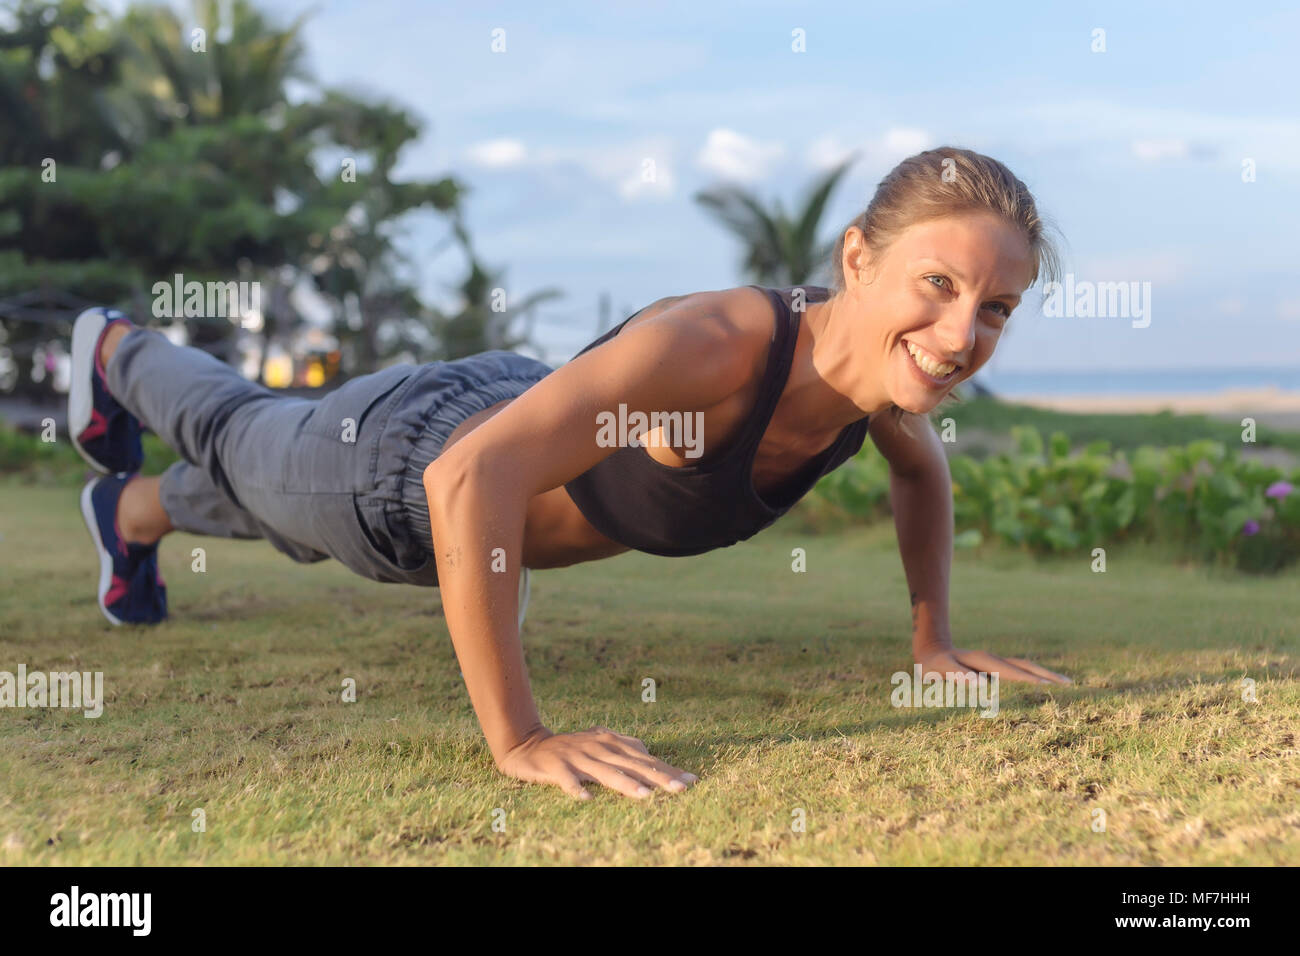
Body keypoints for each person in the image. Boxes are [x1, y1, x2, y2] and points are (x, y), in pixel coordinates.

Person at [69, 146, 1071, 803]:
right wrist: (520, 738)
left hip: (502, 422)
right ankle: (113, 346)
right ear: (858, 259)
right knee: (245, 432)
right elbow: (469, 480)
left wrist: (933, 642)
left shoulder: (882, 378)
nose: (960, 333)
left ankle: (131, 514)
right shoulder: (722, 348)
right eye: (937, 284)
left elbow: (920, 475)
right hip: (401, 469)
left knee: (269, 504)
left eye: (996, 307)